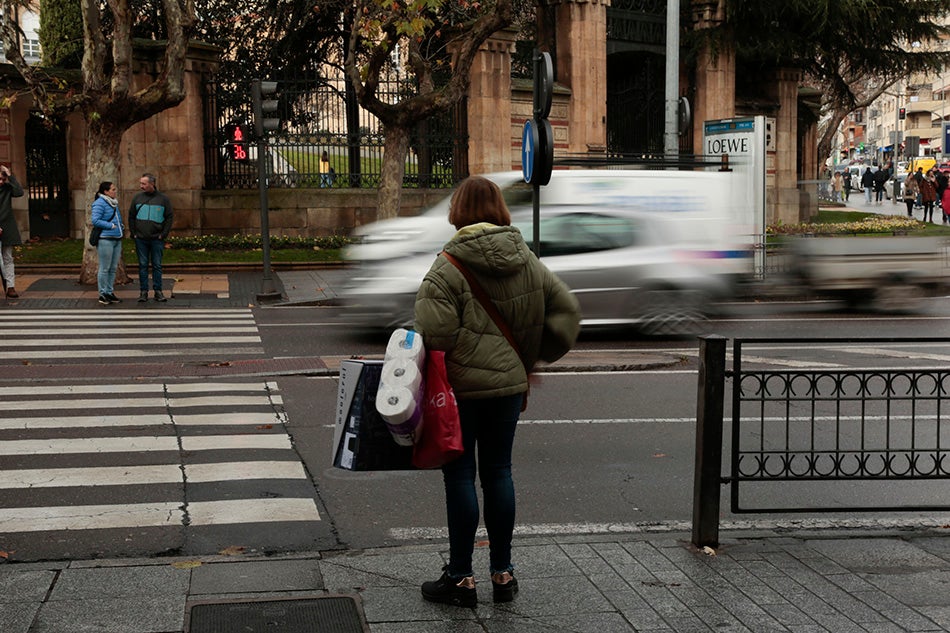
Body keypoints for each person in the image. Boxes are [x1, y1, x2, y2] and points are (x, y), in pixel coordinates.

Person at [413, 175, 581, 608]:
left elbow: (436, 335)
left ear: (457, 212)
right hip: (508, 388)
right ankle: (503, 574)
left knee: (459, 476)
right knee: (500, 473)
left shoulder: (447, 266)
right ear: (500, 210)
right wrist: (531, 359)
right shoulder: (526, 259)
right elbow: (566, 311)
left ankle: (461, 578)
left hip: (461, 391)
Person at [128, 172, 173, 302]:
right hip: (141, 239)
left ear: (152, 184)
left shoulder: (163, 199)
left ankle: (158, 291)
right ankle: (143, 292)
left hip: (156, 239)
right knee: (142, 265)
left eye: (144, 183)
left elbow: (169, 217)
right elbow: (131, 216)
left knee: (157, 265)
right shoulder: (137, 198)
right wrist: (134, 232)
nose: (141, 186)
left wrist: (163, 234)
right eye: (141, 183)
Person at [91, 181, 124, 305]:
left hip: (116, 238)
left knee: (113, 268)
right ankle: (102, 293)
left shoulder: (113, 203)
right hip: (105, 239)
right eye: (113, 189)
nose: (115, 191)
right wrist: (111, 226)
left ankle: (109, 292)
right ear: (106, 191)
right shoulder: (100, 203)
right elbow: (95, 220)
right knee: (105, 268)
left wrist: (120, 226)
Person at [0, 164, 25, 299]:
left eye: (3, 179)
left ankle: (10, 287)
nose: (1, 182)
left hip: (7, 227)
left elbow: (20, 192)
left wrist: (10, 176)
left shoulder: (8, 188)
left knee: (8, 258)